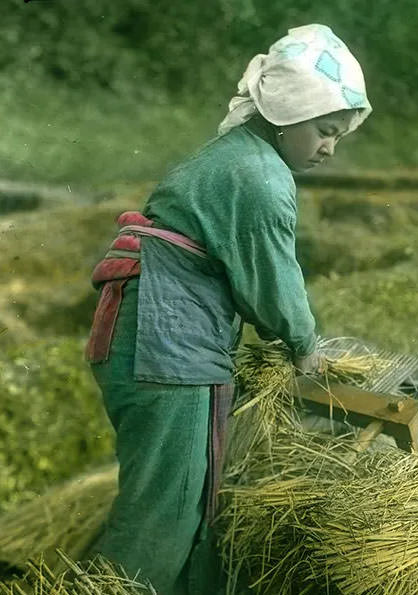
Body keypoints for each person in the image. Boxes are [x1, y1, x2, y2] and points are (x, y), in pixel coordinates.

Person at [84, 24, 372, 594]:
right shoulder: (259, 177)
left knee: (181, 496)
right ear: (289, 111)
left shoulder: (237, 156)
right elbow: (274, 282)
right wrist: (305, 346)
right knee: (163, 511)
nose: (329, 148)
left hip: (155, 331)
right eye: (325, 131)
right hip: (166, 342)